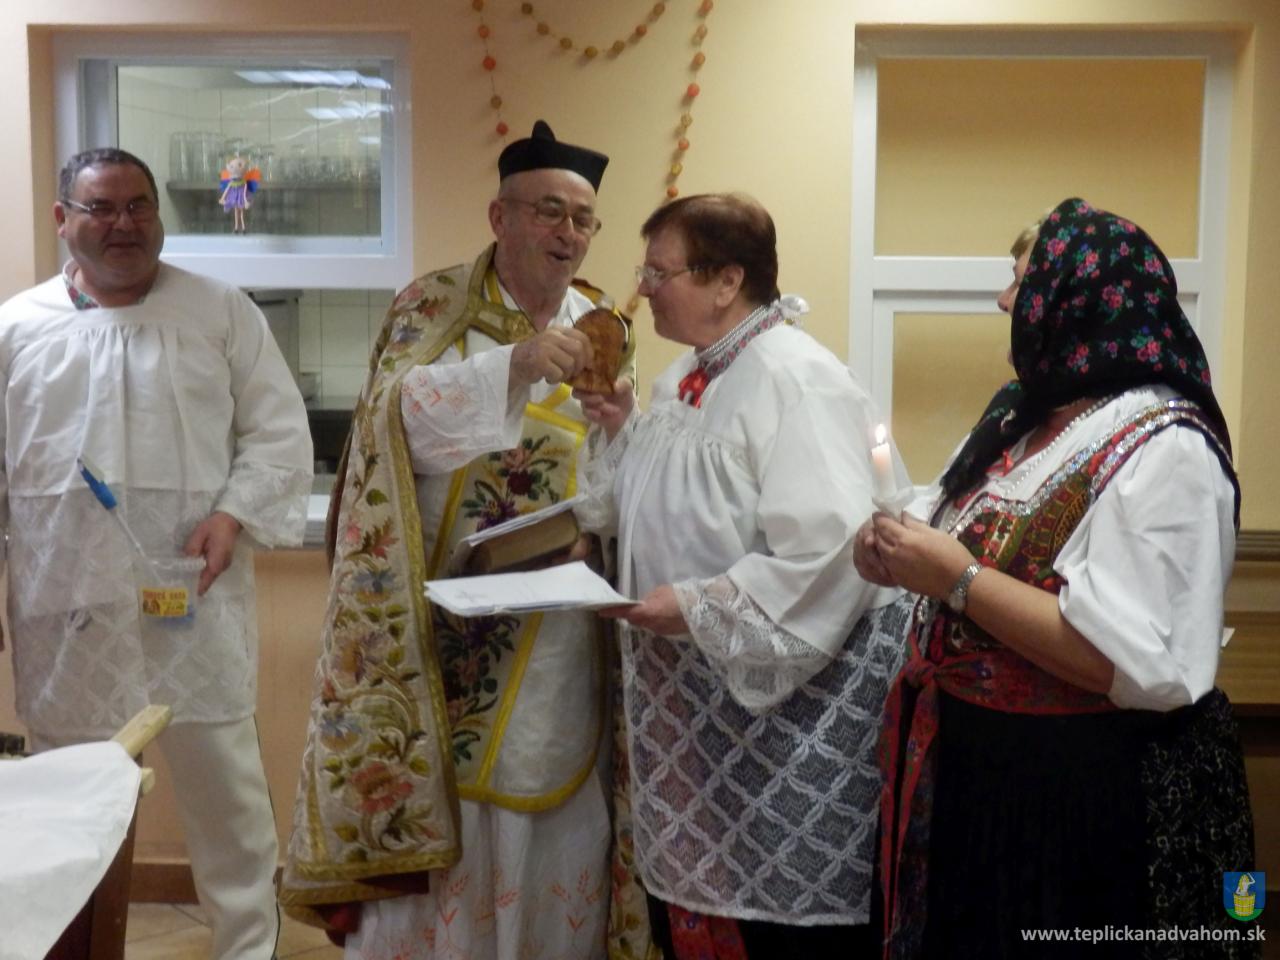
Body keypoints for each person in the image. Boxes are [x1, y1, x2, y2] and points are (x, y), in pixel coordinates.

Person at [860, 198, 1257, 958]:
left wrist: (956, 577)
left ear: (1076, 298)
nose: (1004, 300)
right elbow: (944, 526)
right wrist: (889, 548)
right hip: (985, 774)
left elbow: (1126, 660)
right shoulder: (1023, 416)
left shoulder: (1165, 446)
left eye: (1022, 281)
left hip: (1079, 799)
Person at [281, 120, 634, 960]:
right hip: (435, 620)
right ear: (499, 217)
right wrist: (514, 366)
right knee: (444, 799)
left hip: (554, 630)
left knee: (547, 786)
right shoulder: (433, 305)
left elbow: (611, 460)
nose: (568, 233)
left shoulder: (605, 324)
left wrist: (602, 505)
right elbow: (389, 425)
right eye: (549, 211)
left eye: (584, 219)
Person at [575, 193, 910, 958]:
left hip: (779, 729)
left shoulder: (799, 380)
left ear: (727, 281)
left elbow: (832, 549)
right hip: (696, 716)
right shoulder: (687, 375)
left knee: (777, 933)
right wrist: (624, 431)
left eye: (659, 273)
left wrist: (699, 607)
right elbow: (673, 500)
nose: (643, 290)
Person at [0, 147, 313, 960]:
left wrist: (234, 514)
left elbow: (279, 433)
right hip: (66, 612)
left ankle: (248, 947)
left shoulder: (218, 312)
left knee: (229, 800)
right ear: (63, 218)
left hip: (193, 599)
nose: (123, 224)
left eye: (138, 205)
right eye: (100, 207)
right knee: (66, 809)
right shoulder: (17, 327)